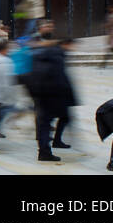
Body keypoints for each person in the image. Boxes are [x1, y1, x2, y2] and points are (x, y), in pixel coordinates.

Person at [26, 30, 76, 161]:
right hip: (54, 97)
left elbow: (30, 76)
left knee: (44, 124)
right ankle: (47, 150)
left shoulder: (40, 56)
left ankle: (45, 149)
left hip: (40, 96)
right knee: (59, 120)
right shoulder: (57, 57)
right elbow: (61, 79)